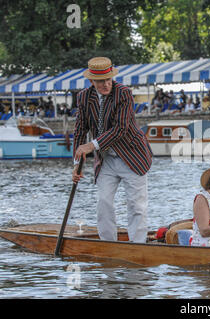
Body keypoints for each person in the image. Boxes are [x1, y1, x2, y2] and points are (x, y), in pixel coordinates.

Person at [72, 57, 153, 243]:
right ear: (92, 81)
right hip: (106, 160)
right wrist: (77, 165)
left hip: (133, 156)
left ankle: (138, 245)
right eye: (101, 81)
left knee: (136, 206)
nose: (106, 84)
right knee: (104, 203)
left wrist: (92, 145)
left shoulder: (123, 93)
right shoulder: (84, 97)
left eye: (108, 79)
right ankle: (108, 244)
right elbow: (79, 131)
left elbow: (121, 129)